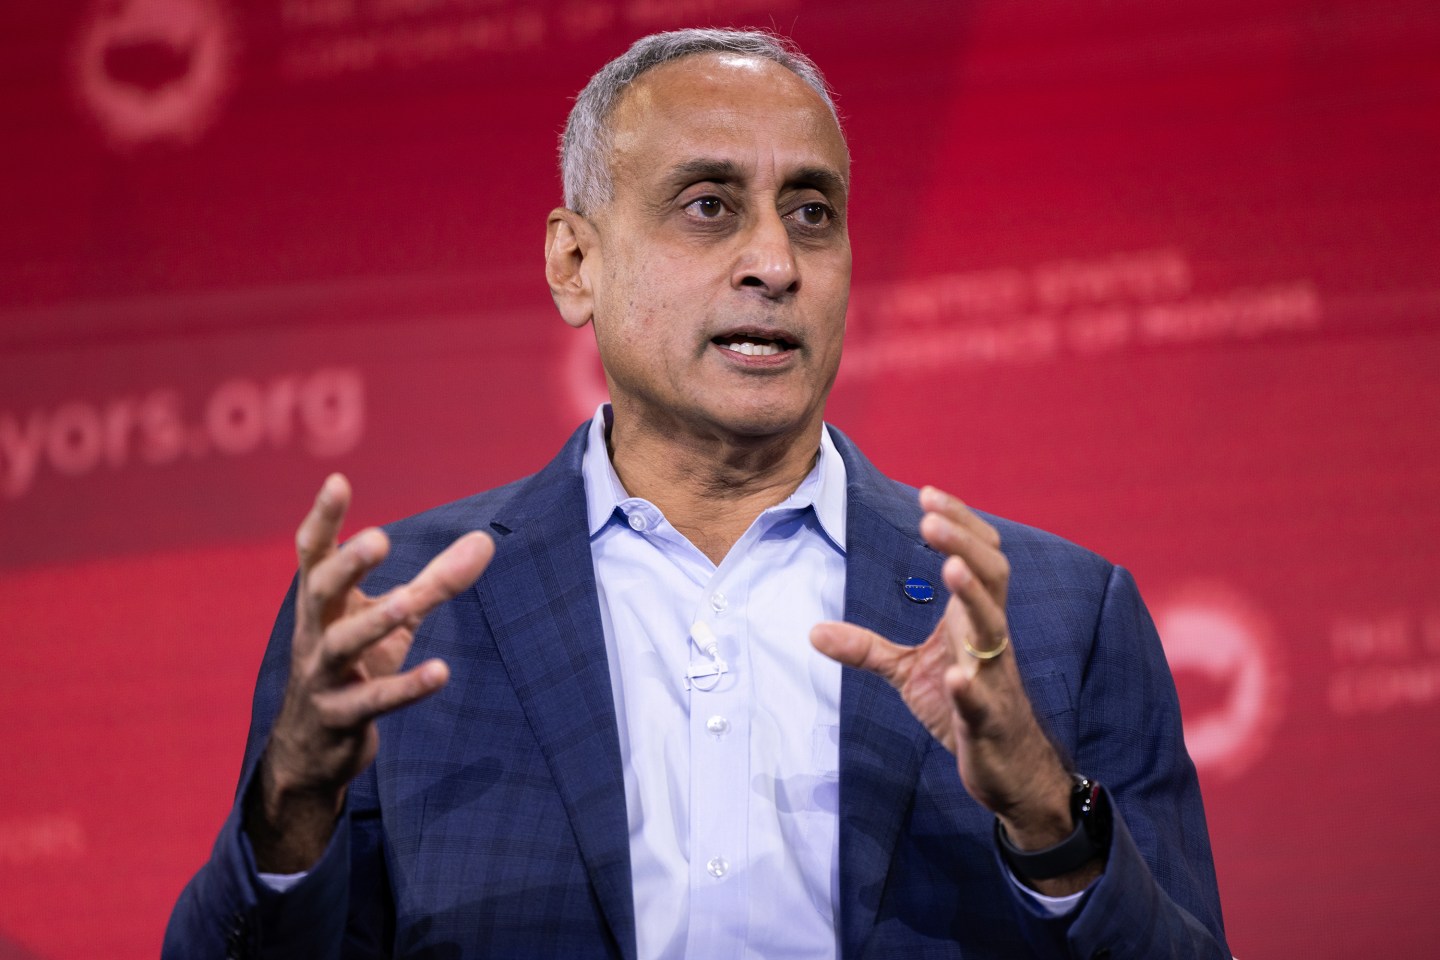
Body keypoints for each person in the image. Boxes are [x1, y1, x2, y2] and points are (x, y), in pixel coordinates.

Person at [164, 28, 1230, 960]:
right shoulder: (398, 617)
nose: (774, 260)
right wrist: (289, 811)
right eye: (709, 205)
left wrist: (1048, 817)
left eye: (812, 213)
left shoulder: (1053, 617)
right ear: (575, 262)